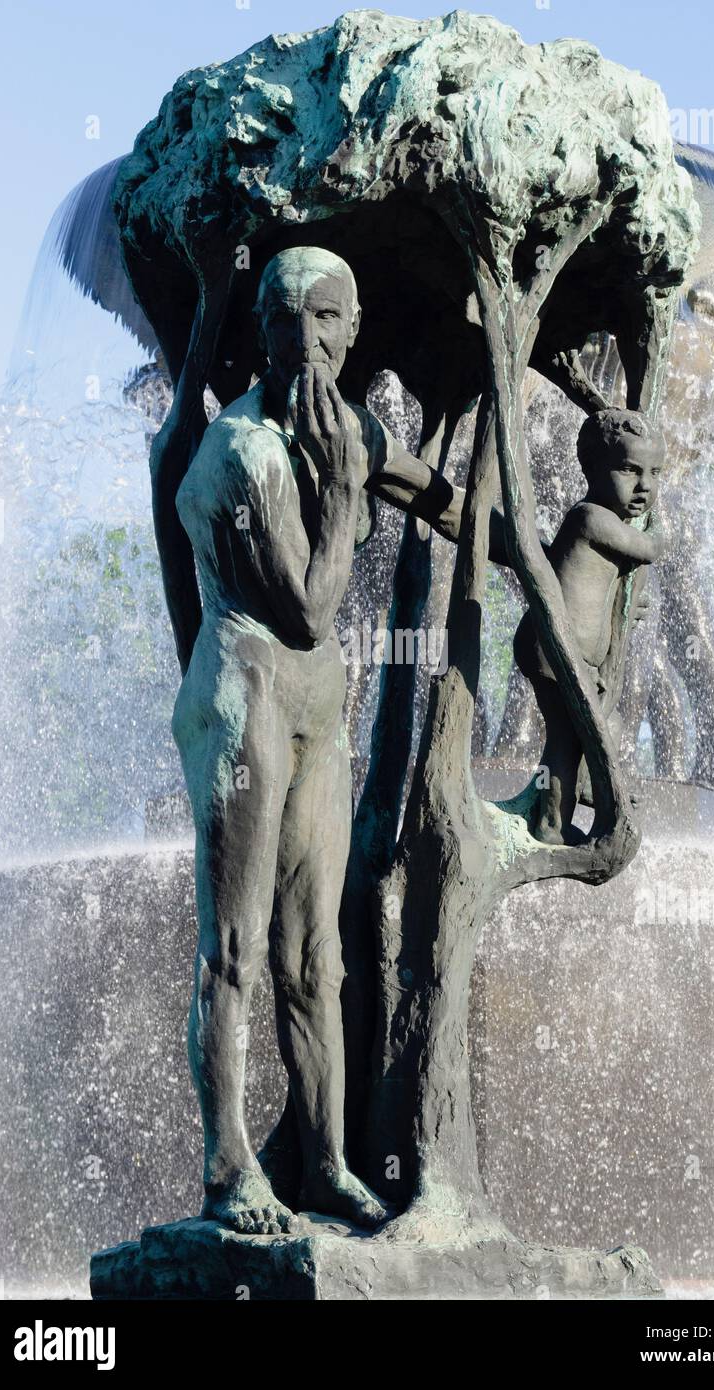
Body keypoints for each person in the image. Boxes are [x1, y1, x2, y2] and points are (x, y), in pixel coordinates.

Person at [172, 246, 507, 1233]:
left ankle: (322, 1161)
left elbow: (431, 496)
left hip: (319, 706)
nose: (308, 342)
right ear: (260, 333)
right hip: (244, 694)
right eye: (287, 321)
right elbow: (313, 606)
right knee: (236, 947)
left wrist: (504, 523)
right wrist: (349, 487)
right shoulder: (247, 453)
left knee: (317, 952)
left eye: (328, 321)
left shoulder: (344, 423)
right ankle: (229, 1167)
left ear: (352, 331)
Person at [512, 409, 666, 844]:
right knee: (567, 738)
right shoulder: (590, 518)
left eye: (655, 473)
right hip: (553, 648)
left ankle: (575, 800)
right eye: (629, 470)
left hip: (574, 655)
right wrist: (661, 530)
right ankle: (555, 820)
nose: (645, 486)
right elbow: (649, 548)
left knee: (582, 733)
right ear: (592, 469)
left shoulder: (607, 524)